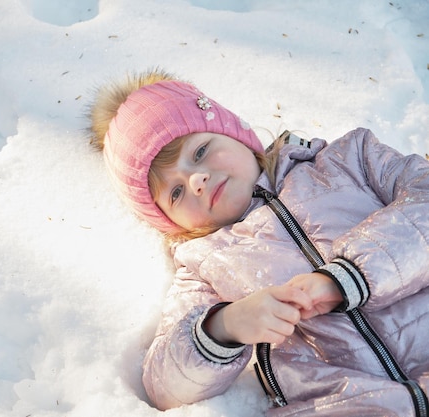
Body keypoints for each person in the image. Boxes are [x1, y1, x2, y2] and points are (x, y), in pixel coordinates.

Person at [87, 68, 429, 416]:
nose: (197, 180)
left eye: (201, 151)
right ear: (170, 222)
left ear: (236, 133)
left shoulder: (348, 159)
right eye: (175, 192)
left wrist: (345, 277)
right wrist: (225, 326)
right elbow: (164, 383)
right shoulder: (203, 267)